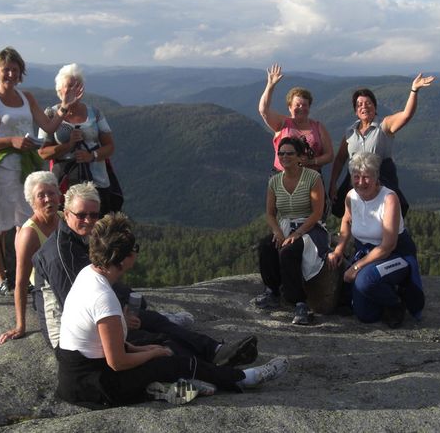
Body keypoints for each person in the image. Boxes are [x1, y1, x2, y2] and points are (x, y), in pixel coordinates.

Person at [56, 212, 289, 407]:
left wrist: (144, 348)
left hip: (78, 376)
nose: (136, 252)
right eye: (134, 248)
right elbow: (117, 362)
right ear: (124, 258)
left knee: (164, 345)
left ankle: (171, 385)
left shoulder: (89, 274)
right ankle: (245, 379)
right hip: (95, 387)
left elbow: (102, 344)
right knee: (173, 361)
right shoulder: (103, 298)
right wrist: (153, 354)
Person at [32, 182, 258, 368]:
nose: (89, 220)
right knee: (152, 340)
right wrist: (119, 319)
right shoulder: (59, 254)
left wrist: (127, 305)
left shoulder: (78, 238)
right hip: (71, 340)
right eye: (81, 215)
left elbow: (102, 279)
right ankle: (208, 367)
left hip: (93, 318)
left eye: (94, 214)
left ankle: (215, 350)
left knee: (152, 319)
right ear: (66, 212)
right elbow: (74, 304)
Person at [0, 47, 83, 296]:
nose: (10, 73)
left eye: (15, 69)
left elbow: (48, 125)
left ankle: (24, 277)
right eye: (5, 69)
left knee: (25, 223)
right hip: (1, 168)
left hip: (28, 169)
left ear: (20, 73)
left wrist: (64, 106)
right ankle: (2, 279)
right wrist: (12, 141)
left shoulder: (26, 97)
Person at [327, 152, 424, 328]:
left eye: (366, 177)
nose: (361, 182)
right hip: (367, 253)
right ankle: (382, 293)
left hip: (395, 255)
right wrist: (339, 249)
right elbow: (346, 221)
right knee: (366, 315)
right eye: (356, 177)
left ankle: (396, 302)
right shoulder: (351, 196)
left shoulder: (389, 199)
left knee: (364, 280)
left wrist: (356, 266)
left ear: (376, 176)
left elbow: (388, 245)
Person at [329, 74, 435, 218]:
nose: (364, 107)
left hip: (381, 181)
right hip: (355, 183)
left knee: (383, 217)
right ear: (355, 111)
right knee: (355, 217)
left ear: (375, 106)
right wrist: (333, 183)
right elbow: (340, 159)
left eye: (368, 103)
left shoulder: (384, 126)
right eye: (359, 104)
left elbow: (406, 115)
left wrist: (414, 90)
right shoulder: (350, 132)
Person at [255, 137, 330, 324]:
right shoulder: (274, 181)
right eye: (281, 153)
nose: (284, 156)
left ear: (300, 156)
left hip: (310, 227)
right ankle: (272, 291)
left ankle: (300, 303)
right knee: (266, 246)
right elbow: (270, 214)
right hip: (284, 225)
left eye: (289, 153)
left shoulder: (313, 178)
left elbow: (317, 213)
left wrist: (297, 233)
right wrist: (278, 233)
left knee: (289, 252)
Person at [38, 63, 120, 215]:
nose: (73, 90)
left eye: (77, 85)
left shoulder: (95, 113)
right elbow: (42, 152)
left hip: (97, 182)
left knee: (97, 225)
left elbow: (110, 147)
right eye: (69, 86)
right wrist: (68, 146)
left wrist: (91, 156)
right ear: (59, 90)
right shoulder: (50, 114)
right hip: (64, 184)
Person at [0, 171, 62, 344]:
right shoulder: (29, 234)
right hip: (46, 291)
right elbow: (20, 282)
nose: (48, 199)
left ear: (59, 195)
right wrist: (21, 325)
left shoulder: (65, 219)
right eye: (41, 195)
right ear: (32, 202)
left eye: (51, 193)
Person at [258, 63, 333, 173]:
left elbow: (329, 155)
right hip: (283, 178)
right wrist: (270, 86)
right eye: (297, 105)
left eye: (305, 105)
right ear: (289, 107)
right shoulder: (282, 124)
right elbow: (263, 110)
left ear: (309, 107)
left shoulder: (318, 127)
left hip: (311, 179)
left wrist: (312, 162)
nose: (301, 108)